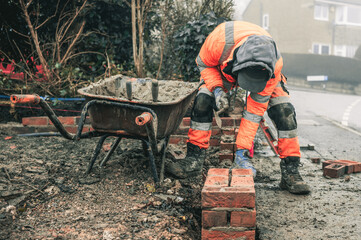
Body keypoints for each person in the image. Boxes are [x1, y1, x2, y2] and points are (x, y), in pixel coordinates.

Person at [166, 21, 310, 195]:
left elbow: (253, 114)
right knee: (203, 100)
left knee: (284, 111)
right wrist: (217, 88)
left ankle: (291, 171)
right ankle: (194, 159)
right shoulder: (218, 42)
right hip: (222, 69)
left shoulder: (273, 65)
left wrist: (242, 153)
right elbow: (204, 63)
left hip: (262, 75)